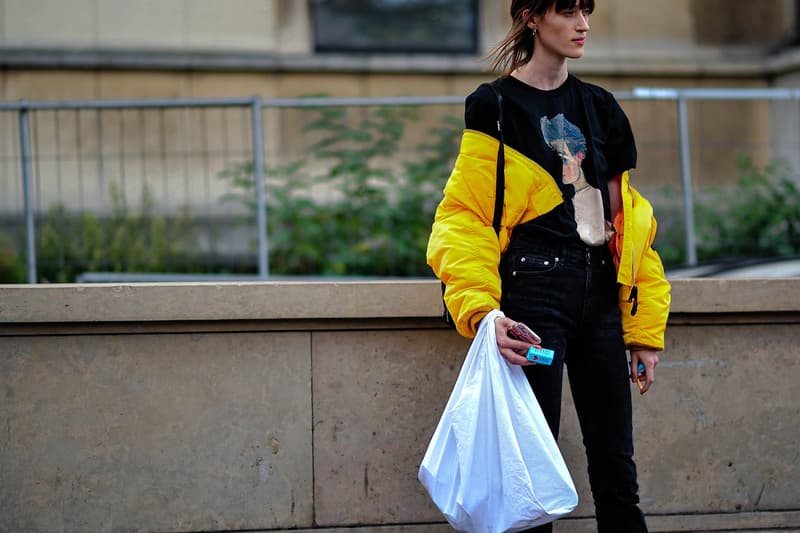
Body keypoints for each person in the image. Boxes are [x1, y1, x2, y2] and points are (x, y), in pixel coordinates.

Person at [426, 0, 671, 531]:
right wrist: (484, 313)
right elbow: (467, 218)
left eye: (587, 10)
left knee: (617, 475)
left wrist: (644, 330)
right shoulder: (493, 106)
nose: (583, 25)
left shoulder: (601, 107)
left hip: (601, 299)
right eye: (568, 11)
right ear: (532, 18)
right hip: (534, 297)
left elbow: (630, 226)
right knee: (528, 478)